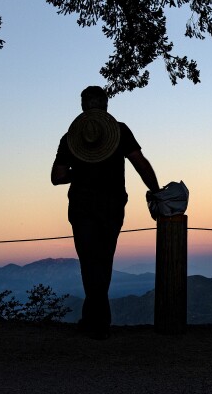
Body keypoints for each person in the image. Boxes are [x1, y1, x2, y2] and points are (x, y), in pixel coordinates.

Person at [51, 85, 160, 339]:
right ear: (106, 106)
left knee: (89, 262)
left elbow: (57, 177)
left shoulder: (70, 137)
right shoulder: (120, 131)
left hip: (81, 206)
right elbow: (140, 163)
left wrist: (78, 173)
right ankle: (97, 322)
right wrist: (156, 189)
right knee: (104, 260)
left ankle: (94, 321)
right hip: (112, 206)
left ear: (82, 108)